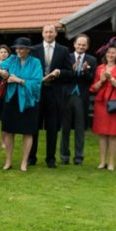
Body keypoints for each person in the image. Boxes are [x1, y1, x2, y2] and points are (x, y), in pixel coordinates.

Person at [0, 38, 42, 171]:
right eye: (17, 48)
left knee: (28, 132)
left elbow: (37, 83)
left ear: (28, 49)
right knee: (9, 131)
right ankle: (8, 161)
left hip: (28, 102)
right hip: (11, 99)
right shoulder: (12, 59)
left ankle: (24, 162)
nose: (18, 50)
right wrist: (1, 71)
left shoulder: (35, 62)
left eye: (21, 48)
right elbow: (0, 65)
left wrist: (18, 80)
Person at [30, 23, 73, 168]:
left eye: (51, 32)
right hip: (38, 92)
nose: (48, 34)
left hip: (54, 94)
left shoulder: (63, 50)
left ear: (56, 34)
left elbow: (70, 73)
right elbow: (30, 70)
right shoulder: (34, 50)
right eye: (46, 32)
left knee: (52, 127)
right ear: (42, 34)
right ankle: (31, 157)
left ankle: (50, 158)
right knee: (34, 126)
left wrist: (59, 72)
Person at [90, 42, 116, 171]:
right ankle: (102, 162)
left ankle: (111, 162)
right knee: (102, 133)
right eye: (108, 52)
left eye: (113, 52)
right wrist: (101, 80)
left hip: (115, 103)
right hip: (101, 103)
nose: (110, 55)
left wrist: (111, 79)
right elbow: (93, 88)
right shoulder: (100, 67)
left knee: (113, 134)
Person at [61, 34, 97, 165]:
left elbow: (92, 79)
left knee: (80, 128)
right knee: (65, 128)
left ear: (87, 46)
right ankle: (64, 156)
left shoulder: (92, 60)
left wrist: (84, 72)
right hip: (67, 95)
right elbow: (63, 77)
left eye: (84, 45)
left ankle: (79, 157)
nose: (81, 47)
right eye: (79, 44)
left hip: (82, 96)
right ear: (74, 44)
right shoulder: (67, 57)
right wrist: (72, 71)